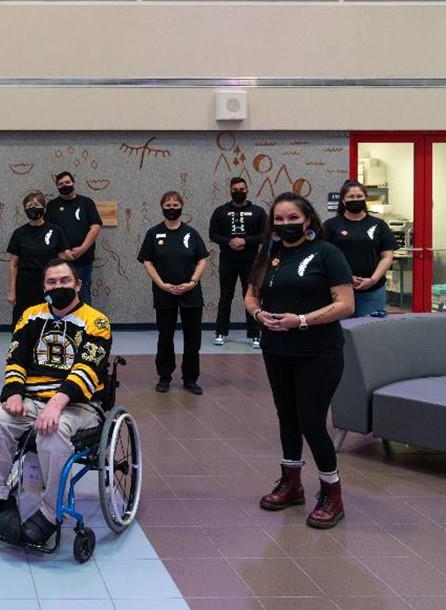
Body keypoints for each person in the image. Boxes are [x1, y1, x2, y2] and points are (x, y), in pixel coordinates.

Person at [0, 259, 112, 546]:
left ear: (78, 284)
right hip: (32, 400)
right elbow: (15, 359)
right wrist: (14, 393)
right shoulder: (30, 316)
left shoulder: (96, 321)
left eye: (65, 280)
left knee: (51, 430)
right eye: (52, 282)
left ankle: (52, 513)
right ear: (44, 287)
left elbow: (87, 369)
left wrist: (56, 404)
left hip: (79, 406)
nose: (58, 286)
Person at [244, 192, 354, 529]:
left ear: (308, 219)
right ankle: (291, 484)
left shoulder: (327, 253)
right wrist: (259, 313)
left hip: (318, 351)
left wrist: (302, 320)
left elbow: (346, 304)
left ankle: (331, 493)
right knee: (287, 416)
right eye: (279, 219)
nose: (286, 224)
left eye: (293, 218)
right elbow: (250, 295)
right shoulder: (269, 254)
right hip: (277, 349)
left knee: (311, 422)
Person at [137, 191, 209, 395]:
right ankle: (164, 376)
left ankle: (190, 378)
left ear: (182, 207)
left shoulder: (191, 233)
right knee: (165, 336)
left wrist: (193, 282)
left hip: (191, 293)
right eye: (167, 205)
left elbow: (202, 259)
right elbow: (147, 260)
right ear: (161, 207)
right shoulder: (153, 233)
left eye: (175, 204)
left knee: (192, 338)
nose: (171, 208)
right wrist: (161, 284)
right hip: (164, 292)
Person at [323, 181, 397, 317]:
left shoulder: (379, 224)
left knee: (370, 332)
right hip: (341, 290)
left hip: (373, 291)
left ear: (365, 199)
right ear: (343, 201)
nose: (355, 200)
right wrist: (347, 277)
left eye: (359, 196)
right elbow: (324, 258)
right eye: (351, 197)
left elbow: (387, 256)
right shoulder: (331, 225)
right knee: (343, 332)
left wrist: (372, 280)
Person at [209, 176, 267, 348]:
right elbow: (213, 234)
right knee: (225, 296)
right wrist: (229, 241)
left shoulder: (258, 211)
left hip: (250, 261)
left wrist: (246, 241)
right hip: (228, 260)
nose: (238, 192)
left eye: (242, 189)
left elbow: (265, 234)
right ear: (230, 191)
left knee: (251, 296)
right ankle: (221, 333)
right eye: (235, 189)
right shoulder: (220, 211)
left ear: (247, 190)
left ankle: (254, 335)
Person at [6, 191, 69, 330]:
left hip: (50, 283)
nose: (33, 208)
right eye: (29, 206)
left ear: (44, 208)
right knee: (22, 322)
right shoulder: (19, 233)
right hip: (25, 283)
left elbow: (63, 259)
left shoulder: (55, 230)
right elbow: (13, 264)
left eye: (36, 205)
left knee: (49, 320)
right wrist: (11, 290)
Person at [45, 171, 103, 305]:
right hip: (59, 260)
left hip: (83, 259)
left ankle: (84, 325)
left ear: (73, 183)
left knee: (83, 293)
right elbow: (48, 232)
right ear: (57, 187)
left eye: (67, 182)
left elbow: (95, 227)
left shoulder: (86, 202)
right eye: (60, 184)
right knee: (58, 294)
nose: (64, 185)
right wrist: (62, 252)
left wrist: (82, 249)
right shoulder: (52, 205)